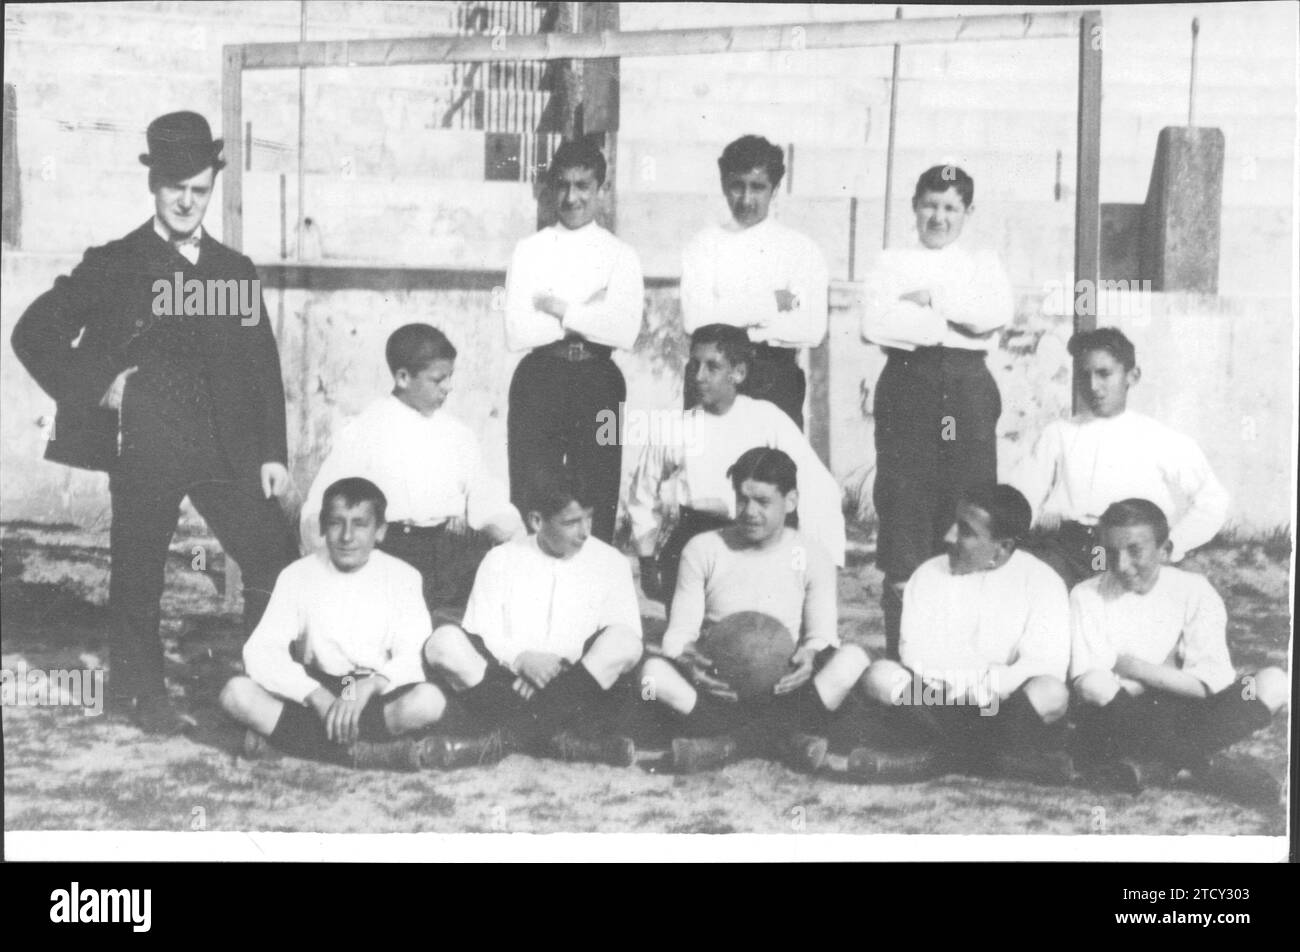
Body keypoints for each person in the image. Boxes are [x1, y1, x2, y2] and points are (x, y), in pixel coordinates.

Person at [11, 111, 296, 734]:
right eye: (176, 189)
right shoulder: (116, 263)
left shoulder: (231, 271)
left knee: (271, 554)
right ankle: (142, 695)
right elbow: (34, 332)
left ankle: (265, 681)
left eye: (199, 189)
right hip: (148, 442)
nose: (188, 202)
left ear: (212, 186)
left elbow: (259, 364)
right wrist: (99, 386)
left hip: (227, 446)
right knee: (140, 573)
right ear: (153, 186)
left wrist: (272, 452)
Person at [861, 164, 1013, 661]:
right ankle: (904, 663)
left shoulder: (983, 263)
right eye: (930, 204)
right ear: (914, 205)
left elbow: (993, 317)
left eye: (950, 207)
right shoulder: (891, 261)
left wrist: (932, 300)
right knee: (905, 507)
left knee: (967, 508)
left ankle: (964, 659)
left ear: (967, 213)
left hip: (967, 390)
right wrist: (948, 321)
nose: (938, 217)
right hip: (908, 386)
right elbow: (876, 324)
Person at [639, 448, 870, 774]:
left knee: (854, 659)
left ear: (790, 501)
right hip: (720, 689)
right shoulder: (704, 548)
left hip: (784, 688)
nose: (749, 511)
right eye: (742, 499)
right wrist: (689, 659)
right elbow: (678, 634)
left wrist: (810, 655)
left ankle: (731, 744)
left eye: (763, 502)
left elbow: (823, 636)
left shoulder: (812, 553)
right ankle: (781, 739)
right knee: (652, 673)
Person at [417, 468, 645, 768]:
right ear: (537, 521)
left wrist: (559, 664)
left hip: (579, 683)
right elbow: (482, 631)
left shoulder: (610, 561)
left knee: (626, 642)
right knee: (442, 642)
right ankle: (562, 741)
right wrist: (521, 660)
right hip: (506, 683)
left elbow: (622, 637)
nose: (585, 531)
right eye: (571, 522)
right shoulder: (501, 559)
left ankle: (504, 739)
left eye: (588, 517)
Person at [1069, 499, 1287, 806]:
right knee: (1096, 684)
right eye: (1109, 552)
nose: (1120, 564)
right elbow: (1090, 685)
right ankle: (1203, 768)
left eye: (1134, 550)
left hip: (1184, 711)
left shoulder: (1194, 590)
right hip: (1122, 715)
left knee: (1274, 682)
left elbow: (1210, 683)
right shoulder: (1086, 595)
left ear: (1165, 550)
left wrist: (1130, 665)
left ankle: (1154, 766)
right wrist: (1172, 672)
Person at [851, 485, 1074, 785]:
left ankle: (934, 758)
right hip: (938, 698)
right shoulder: (929, 574)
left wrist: (988, 687)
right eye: (955, 523)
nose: (949, 537)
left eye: (966, 531)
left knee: (1051, 692)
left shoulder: (1043, 582)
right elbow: (914, 652)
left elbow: (1044, 663)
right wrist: (960, 686)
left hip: (1001, 704)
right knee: (880, 675)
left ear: (1003, 547)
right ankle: (995, 759)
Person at [221, 478, 447, 769]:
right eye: (337, 523)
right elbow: (261, 649)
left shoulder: (404, 577)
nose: (347, 536)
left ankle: (290, 744)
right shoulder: (296, 575)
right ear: (322, 528)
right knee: (235, 694)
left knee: (429, 702)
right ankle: (369, 753)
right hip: (316, 687)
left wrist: (368, 688)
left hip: (372, 689)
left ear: (380, 531)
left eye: (360, 524)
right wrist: (315, 696)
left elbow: (412, 651)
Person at [298, 324, 522, 613]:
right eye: (438, 379)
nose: (448, 387)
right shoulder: (365, 430)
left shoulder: (456, 433)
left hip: (447, 556)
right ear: (403, 377)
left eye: (450, 377)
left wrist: (512, 532)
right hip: (389, 551)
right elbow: (321, 506)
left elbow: (485, 497)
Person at [628, 324, 846, 606]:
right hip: (693, 541)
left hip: (754, 541)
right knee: (686, 641)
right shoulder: (674, 426)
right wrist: (647, 562)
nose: (699, 376)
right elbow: (641, 496)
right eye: (694, 365)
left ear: (738, 373)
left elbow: (819, 488)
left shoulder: (767, 420)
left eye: (712, 367)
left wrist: (822, 564)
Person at [1011, 327, 1230, 589]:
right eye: (1084, 375)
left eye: (1104, 374)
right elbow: (1021, 496)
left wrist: (1172, 544)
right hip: (1064, 550)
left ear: (1132, 376)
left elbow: (1214, 500)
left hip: (1128, 554)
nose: (1093, 386)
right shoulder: (1058, 433)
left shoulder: (1160, 438)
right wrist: (1038, 516)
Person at [504, 140, 644, 544]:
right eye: (563, 185)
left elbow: (624, 331)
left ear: (601, 187)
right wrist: (590, 313)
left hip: (601, 381)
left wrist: (559, 308)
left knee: (599, 484)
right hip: (539, 378)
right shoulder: (529, 250)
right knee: (533, 485)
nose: (572, 197)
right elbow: (519, 331)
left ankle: (593, 581)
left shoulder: (621, 255)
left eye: (583, 185)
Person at [680, 134, 829, 428]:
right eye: (738, 186)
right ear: (724, 185)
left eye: (758, 187)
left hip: (774, 378)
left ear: (774, 189)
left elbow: (811, 328)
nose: (746, 199)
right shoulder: (703, 246)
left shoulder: (800, 250)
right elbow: (696, 321)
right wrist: (773, 302)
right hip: (713, 375)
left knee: (771, 468)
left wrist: (728, 312)